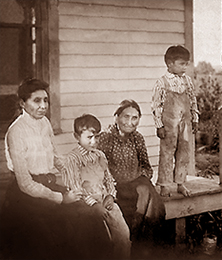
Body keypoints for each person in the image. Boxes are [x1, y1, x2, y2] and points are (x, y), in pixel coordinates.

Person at [0, 78, 111, 260]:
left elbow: (55, 157)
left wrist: (78, 170)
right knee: (55, 232)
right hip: (26, 197)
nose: (43, 106)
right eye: (37, 101)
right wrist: (61, 198)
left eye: (45, 100)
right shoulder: (16, 132)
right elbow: (26, 184)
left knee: (90, 214)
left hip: (49, 185)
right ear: (22, 103)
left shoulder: (44, 123)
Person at [60, 114, 131, 259]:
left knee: (123, 236)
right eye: (89, 137)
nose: (94, 141)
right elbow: (75, 186)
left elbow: (109, 178)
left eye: (97, 137)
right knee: (103, 240)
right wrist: (94, 205)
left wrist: (111, 195)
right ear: (77, 136)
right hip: (88, 205)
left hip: (106, 201)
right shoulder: (72, 159)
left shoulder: (100, 155)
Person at [98, 99, 166, 247]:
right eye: (126, 116)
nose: (130, 122)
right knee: (146, 194)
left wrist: (137, 179)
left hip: (136, 185)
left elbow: (147, 167)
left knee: (148, 195)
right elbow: (100, 171)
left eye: (135, 118)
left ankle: (143, 246)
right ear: (116, 117)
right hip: (115, 189)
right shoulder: (106, 138)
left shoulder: (138, 138)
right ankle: (140, 246)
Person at [152, 45, 199, 197]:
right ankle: (164, 185)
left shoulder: (188, 81)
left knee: (183, 152)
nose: (185, 67)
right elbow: (156, 106)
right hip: (169, 124)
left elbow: (193, 100)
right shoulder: (162, 83)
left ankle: (180, 183)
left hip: (184, 123)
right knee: (167, 153)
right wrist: (159, 125)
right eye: (181, 63)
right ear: (170, 63)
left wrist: (195, 119)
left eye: (187, 63)